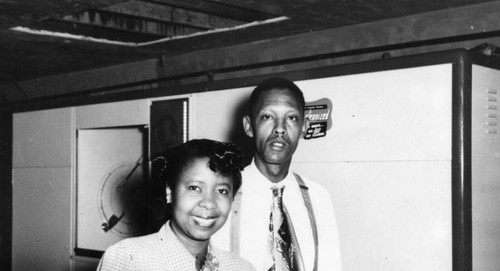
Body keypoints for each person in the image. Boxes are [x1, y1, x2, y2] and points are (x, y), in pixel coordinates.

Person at [212, 78, 342, 270]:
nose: (280, 128)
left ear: (304, 128)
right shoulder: (220, 195)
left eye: (291, 118)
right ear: (249, 126)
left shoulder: (318, 197)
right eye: (267, 117)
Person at [97, 139, 256, 271]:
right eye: (194, 188)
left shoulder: (241, 268)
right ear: (169, 192)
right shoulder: (128, 259)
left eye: (222, 191)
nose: (209, 203)